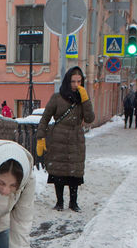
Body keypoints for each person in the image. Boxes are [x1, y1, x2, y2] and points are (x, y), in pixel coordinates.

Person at [34, 66, 95, 212]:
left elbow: (90, 118)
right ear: (68, 81)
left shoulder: (82, 99)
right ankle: (59, 202)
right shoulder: (57, 97)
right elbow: (45, 118)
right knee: (59, 172)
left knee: (74, 172)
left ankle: (73, 203)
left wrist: (85, 100)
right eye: (73, 81)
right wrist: (40, 137)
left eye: (79, 81)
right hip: (58, 137)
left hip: (75, 138)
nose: (76, 85)